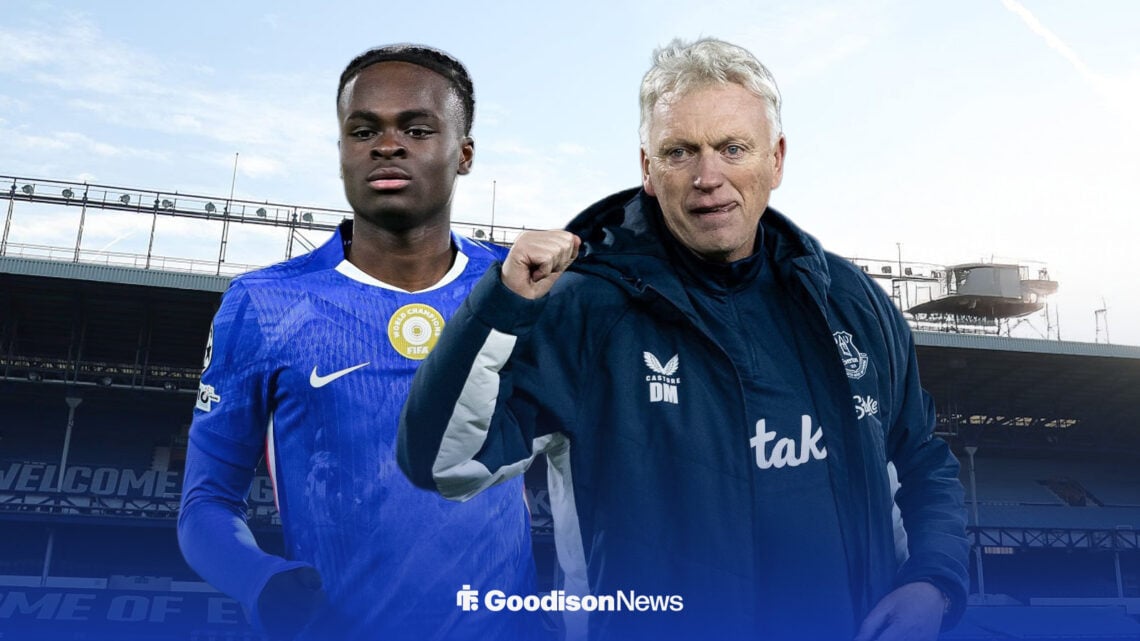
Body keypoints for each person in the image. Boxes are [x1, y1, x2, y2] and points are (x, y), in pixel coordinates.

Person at [398, 37, 969, 641]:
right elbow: (442, 461)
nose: (707, 177)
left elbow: (921, 459)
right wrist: (501, 304)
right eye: (680, 152)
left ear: (776, 159)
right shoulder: (582, 308)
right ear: (648, 169)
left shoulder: (849, 301)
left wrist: (933, 581)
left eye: (732, 148)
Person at [179, 44, 538, 641]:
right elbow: (206, 503)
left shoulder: (522, 290)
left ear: (464, 153)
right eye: (363, 130)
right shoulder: (264, 304)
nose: (386, 146)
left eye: (416, 129)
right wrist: (261, 581)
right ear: (342, 151)